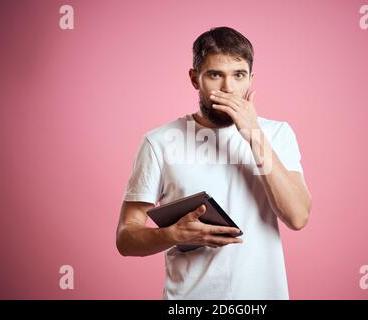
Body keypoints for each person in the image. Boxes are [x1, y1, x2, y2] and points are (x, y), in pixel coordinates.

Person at [116, 26, 312, 300]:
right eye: (215, 75)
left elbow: (298, 216)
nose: (228, 89)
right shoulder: (159, 142)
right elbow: (126, 238)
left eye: (238, 75)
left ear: (251, 79)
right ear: (195, 78)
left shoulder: (277, 134)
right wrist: (174, 234)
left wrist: (254, 136)